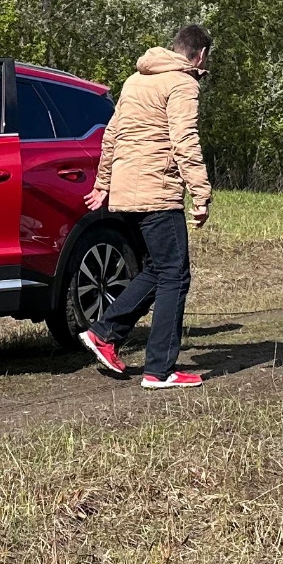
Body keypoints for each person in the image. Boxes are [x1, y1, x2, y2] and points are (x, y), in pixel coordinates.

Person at [79, 24, 213, 388]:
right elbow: (184, 139)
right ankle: (160, 370)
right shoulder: (183, 84)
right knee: (175, 274)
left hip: (126, 191)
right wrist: (201, 193)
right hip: (157, 190)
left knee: (157, 268)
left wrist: (103, 183)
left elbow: (111, 134)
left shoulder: (135, 81)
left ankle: (105, 334)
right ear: (200, 55)